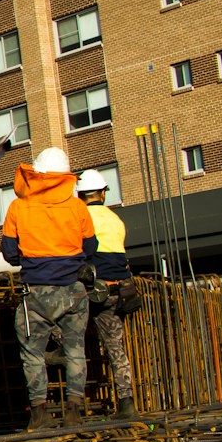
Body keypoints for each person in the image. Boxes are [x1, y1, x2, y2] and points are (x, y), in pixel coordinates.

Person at [1, 147, 97, 430]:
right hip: (74, 290)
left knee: (32, 353)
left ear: (36, 175)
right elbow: (91, 247)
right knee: (75, 349)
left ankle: (39, 414)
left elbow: (8, 252)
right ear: (67, 177)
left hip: (37, 292)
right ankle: (75, 411)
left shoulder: (18, 207)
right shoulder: (78, 206)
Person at [76, 170, 139, 420]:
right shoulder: (116, 220)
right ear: (103, 193)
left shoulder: (79, 217)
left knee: (69, 338)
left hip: (91, 290)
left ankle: (74, 405)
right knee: (116, 348)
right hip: (118, 290)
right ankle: (126, 403)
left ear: (80, 196)